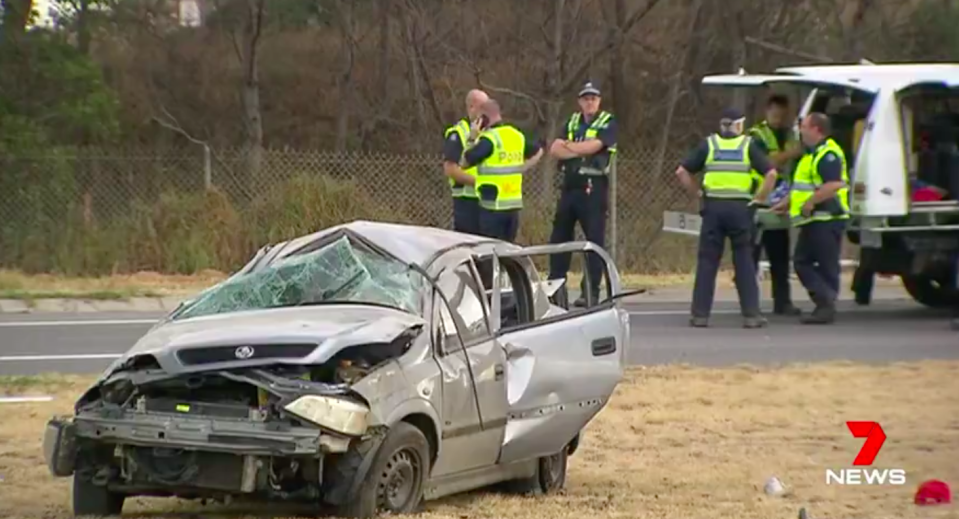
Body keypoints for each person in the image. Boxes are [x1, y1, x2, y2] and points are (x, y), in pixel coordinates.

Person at [676, 107, 779, 328]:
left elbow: (682, 172)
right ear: (739, 125)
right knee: (743, 261)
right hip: (740, 209)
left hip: (713, 208)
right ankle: (751, 315)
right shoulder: (748, 145)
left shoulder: (709, 145)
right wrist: (759, 199)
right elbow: (771, 174)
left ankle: (700, 315)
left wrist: (698, 193)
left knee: (707, 262)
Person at [772, 112, 850, 324]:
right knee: (801, 262)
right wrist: (788, 202)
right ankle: (824, 302)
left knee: (825, 264)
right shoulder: (810, 155)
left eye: (804, 126)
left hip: (826, 218)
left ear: (817, 129)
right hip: (813, 220)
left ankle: (826, 306)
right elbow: (803, 187)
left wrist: (810, 202)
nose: (801, 131)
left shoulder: (828, 154)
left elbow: (834, 185)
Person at [546, 81, 618, 307]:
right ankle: (557, 291)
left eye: (593, 98)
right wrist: (578, 148)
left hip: (593, 188)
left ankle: (590, 293)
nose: (590, 102)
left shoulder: (608, 122)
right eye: (586, 98)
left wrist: (572, 147)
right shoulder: (572, 121)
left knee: (593, 243)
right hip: (569, 187)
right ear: (580, 101)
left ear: (599, 101)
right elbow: (554, 149)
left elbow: (595, 146)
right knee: (559, 241)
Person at [450, 99, 543, 242]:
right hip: (513, 207)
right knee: (508, 252)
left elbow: (463, 162)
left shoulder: (489, 139)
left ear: (483, 119)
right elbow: (538, 151)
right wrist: (523, 167)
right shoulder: (515, 135)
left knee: (490, 253)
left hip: (492, 206)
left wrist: (472, 138)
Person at [747, 94, 804, 316]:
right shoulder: (756, 135)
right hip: (759, 200)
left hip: (781, 201)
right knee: (751, 256)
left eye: (782, 115)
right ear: (767, 112)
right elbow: (766, 163)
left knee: (780, 256)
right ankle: (750, 303)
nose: (778, 118)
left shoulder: (790, 135)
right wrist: (790, 153)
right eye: (775, 114)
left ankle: (783, 302)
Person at [442, 89, 489, 234]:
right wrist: (479, 182)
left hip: (489, 202)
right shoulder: (459, 133)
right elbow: (450, 169)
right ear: (471, 107)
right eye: (483, 107)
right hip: (466, 202)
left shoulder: (489, 133)